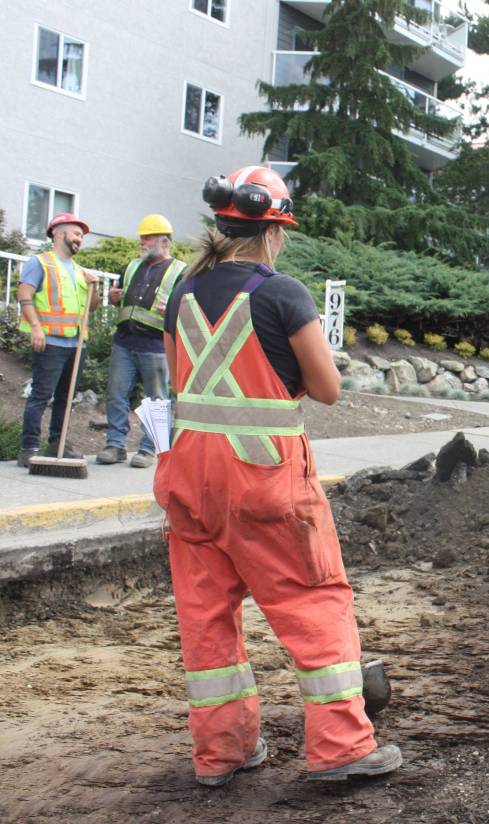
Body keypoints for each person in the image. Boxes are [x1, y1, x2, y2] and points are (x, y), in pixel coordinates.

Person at [155, 166, 402, 787]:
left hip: (188, 476)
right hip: (264, 477)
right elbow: (327, 389)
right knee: (311, 600)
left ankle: (222, 753)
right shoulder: (282, 293)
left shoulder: (182, 292)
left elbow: (180, 379)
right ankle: (343, 748)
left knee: (206, 616)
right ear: (274, 231)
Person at [96, 214, 187, 468]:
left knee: (156, 400)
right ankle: (115, 444)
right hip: (125, 342)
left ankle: (149, 449)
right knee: (116, 394)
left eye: (147, 238)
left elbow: (188, 310)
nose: (142, 242)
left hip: (156, 345)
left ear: (164, 241)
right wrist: (113, 297)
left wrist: (171, 310)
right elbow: (118, 296)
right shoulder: (132, 265)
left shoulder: (180, 272)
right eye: (142, 238)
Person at [16, 213, 100, 468]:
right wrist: (37, 329)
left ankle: (57, 444)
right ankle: (28, 448)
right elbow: (24, 294)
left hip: (76, 344)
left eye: (81, 237)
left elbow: (91, 307)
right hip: (50, 343)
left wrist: (94, 287)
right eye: (76, 234)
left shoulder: (79, 271)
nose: (79, 240)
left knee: (66, 398)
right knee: (41, 395)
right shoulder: (40, 263)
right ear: (59, 233)